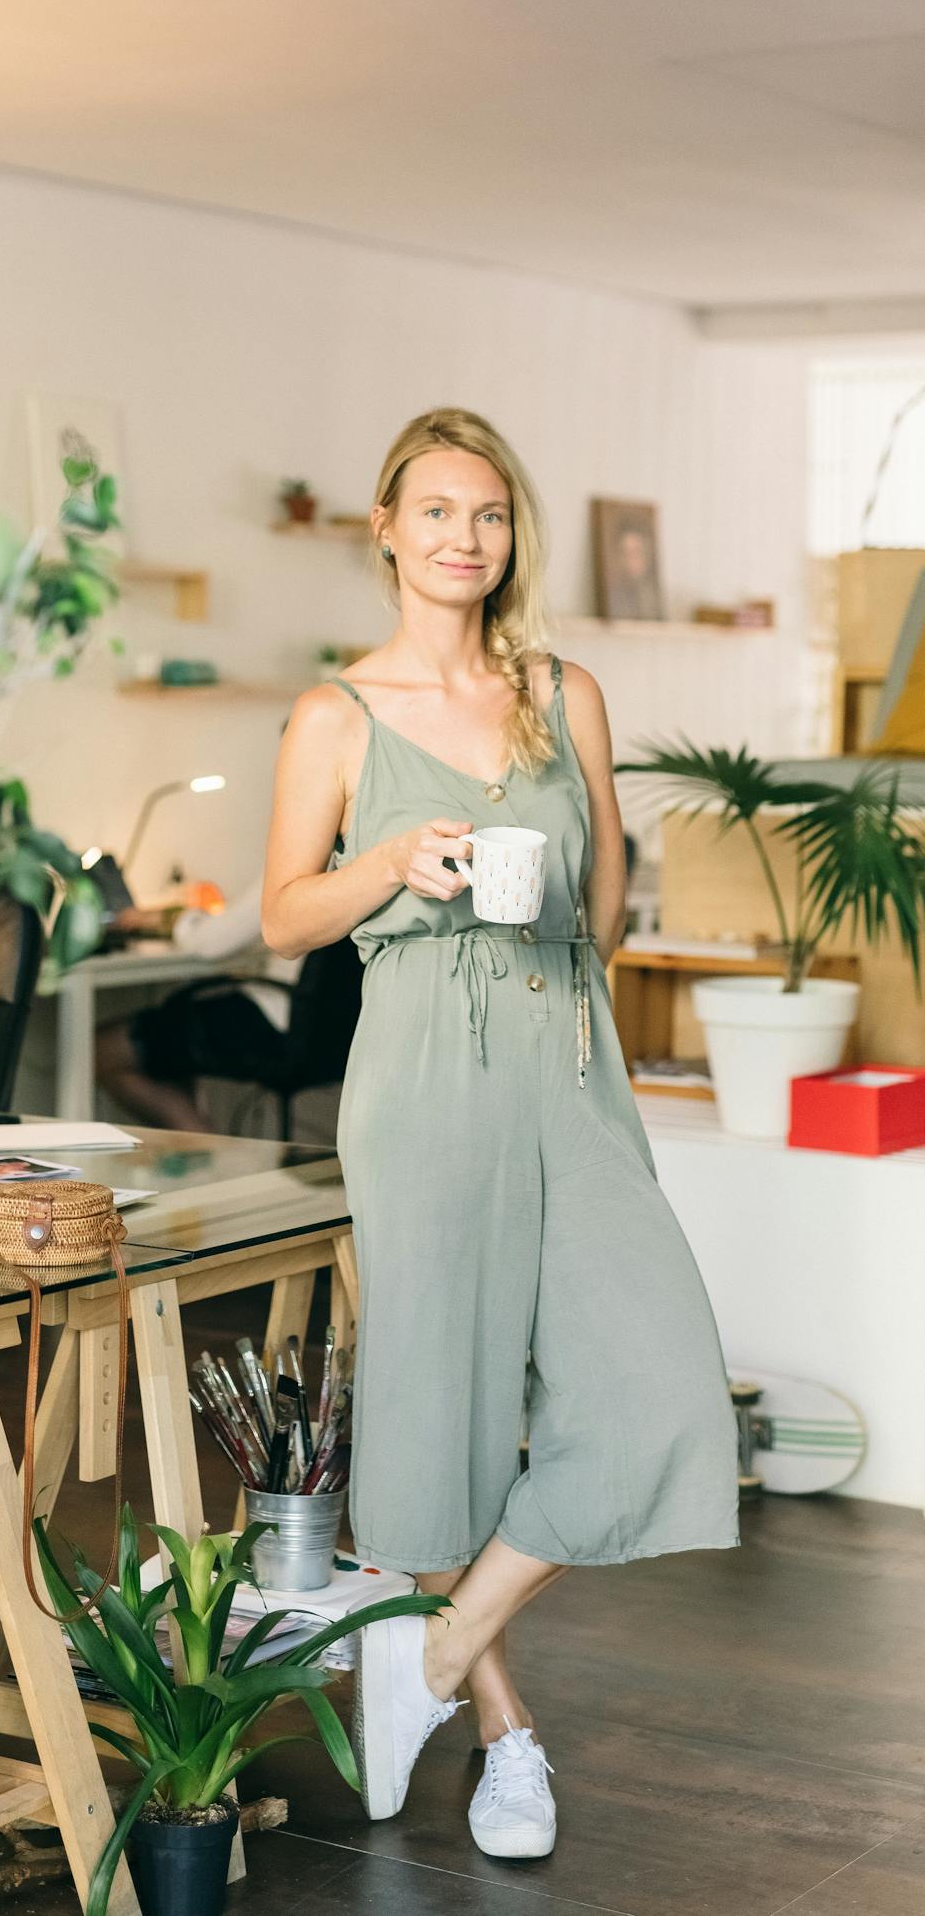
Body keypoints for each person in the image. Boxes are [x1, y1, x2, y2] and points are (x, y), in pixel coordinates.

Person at [261, 407, 739, 1861]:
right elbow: (282, 913)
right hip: (421, 1079)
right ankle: (504, 1738)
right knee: (437, 1413)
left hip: (569, 1058)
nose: (466, 537)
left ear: (507, 536)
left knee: (659, 1391)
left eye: (491, 514)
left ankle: (427, 1649)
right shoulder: (336, 714)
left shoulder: (563, 690)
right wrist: (391, 864)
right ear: (388, 531)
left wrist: (565, 903)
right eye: (439, 512)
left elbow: (602, 907)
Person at [95, 880, 302, 1131]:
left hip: (272, 1026)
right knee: (172, 1035)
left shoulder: (299, 869)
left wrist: (161, 919)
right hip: (326, 1034)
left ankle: (209, 1157)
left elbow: (209, 942)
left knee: (102, 1049)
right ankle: (193, 1157)